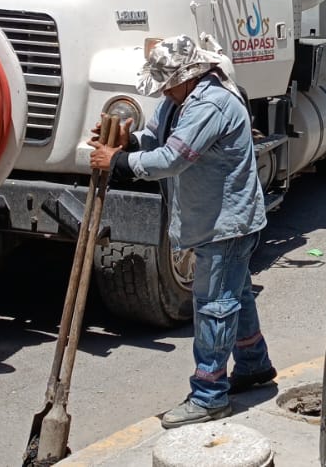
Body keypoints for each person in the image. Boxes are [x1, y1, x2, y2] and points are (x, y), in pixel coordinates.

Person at [87, 33, 274, 428]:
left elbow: (172, 158)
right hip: (211, 218)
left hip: (227, 223)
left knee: (214, 307)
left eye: (168, 85)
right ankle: (254, 364)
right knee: (234, 294)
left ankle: (209, 395)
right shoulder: (180, 100)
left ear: (188, 76)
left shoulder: (211, 103)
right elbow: (155, 139)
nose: (165, 92)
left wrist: (118, 163)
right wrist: (128, 141)